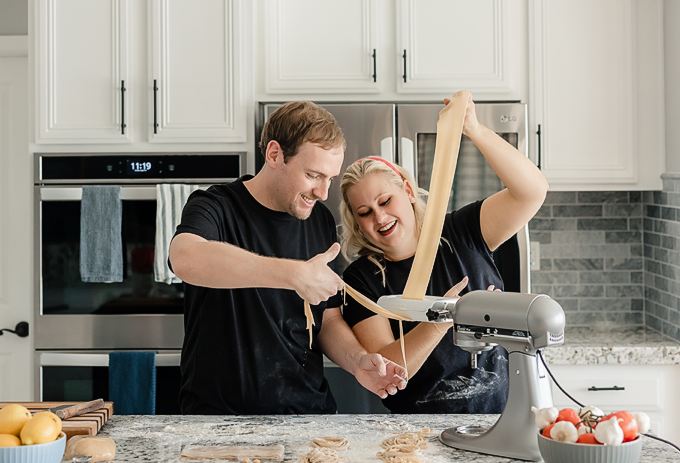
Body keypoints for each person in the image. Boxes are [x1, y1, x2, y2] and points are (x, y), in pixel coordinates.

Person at [168, 101, 407, 415]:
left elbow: (328, 321)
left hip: (307, 418)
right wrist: (293, 275)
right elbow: (185, 257)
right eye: (312, 175)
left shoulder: (318, 220)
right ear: (274, 155)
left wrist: (357, 361)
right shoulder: (216, 206)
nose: (322, 192)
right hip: (219, 422)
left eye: (330, 179)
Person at [339, 94, 549, 414]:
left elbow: (532, 191)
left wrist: (476, 130)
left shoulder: (463, 231)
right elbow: (387, 369)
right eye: (364, 212)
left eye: (385, 202)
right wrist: (445, 317)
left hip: (501, 415)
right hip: (416, 434)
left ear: (407, 192)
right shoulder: (360, 279)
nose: (379, 218)